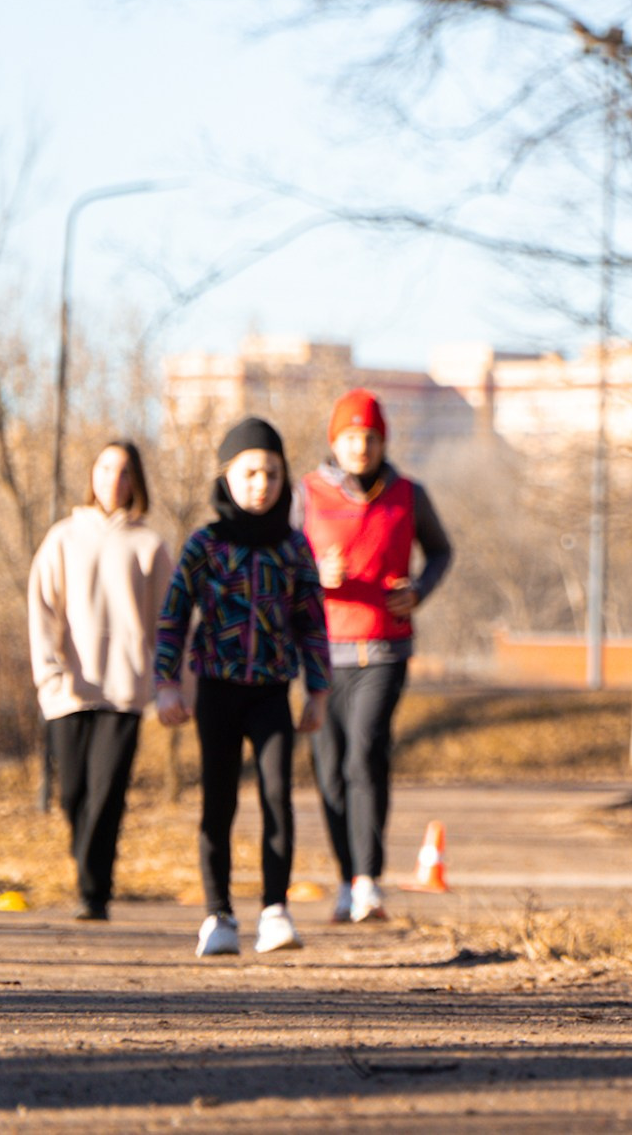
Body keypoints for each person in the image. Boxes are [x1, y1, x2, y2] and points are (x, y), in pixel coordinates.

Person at [154, 416, 330, 958]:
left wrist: (318, 690)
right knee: (219, 801)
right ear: (226, 477)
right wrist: (166, 683)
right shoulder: (205, 545)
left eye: (272, 473)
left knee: (277, 796)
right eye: (250, 472)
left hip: (272, 691)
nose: (262, 484)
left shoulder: (294, 548)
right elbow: (173, 616)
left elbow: (311, 621)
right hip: (217, 689)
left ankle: (276, 911)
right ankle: (219, 915)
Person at [300, 389, 453, 924]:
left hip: (384, 648)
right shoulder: (307, 493)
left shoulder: (408, 494)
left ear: (383, 441)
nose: (360, 447)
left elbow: (441, 551)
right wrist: (315, 575)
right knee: (329, 769)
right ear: (334, 442)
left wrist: (419, 590)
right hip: (323, 652)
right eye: (350, 437)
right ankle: (346, 880)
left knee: (364, 755)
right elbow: (286, 561)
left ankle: (368, 882)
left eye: (370, 437)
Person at [26, 441, 173, 921]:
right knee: (73, 794)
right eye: (106, 468)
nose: (114, 479)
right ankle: (89, 873)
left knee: (107, 793)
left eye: (125, 471)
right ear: (92, 474)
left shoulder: (149, 545)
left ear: (136, 482)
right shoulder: (63, 538)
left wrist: (169, 683)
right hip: (68, 689)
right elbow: (42, 609)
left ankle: (95, 894)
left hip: (124, 689)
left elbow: (168, 622)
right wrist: (49, 671)